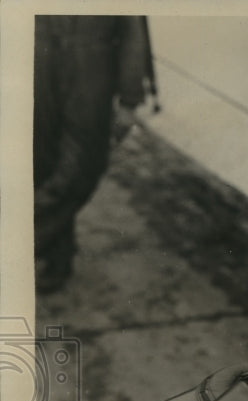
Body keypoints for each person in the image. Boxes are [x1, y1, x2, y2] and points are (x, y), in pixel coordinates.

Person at [34, 15, 148, 293]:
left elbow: (133, 30)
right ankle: (58, 257)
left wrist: (129, 98)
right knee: (41, 163)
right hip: (37, 53)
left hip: (92, 63)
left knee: (83, 166)